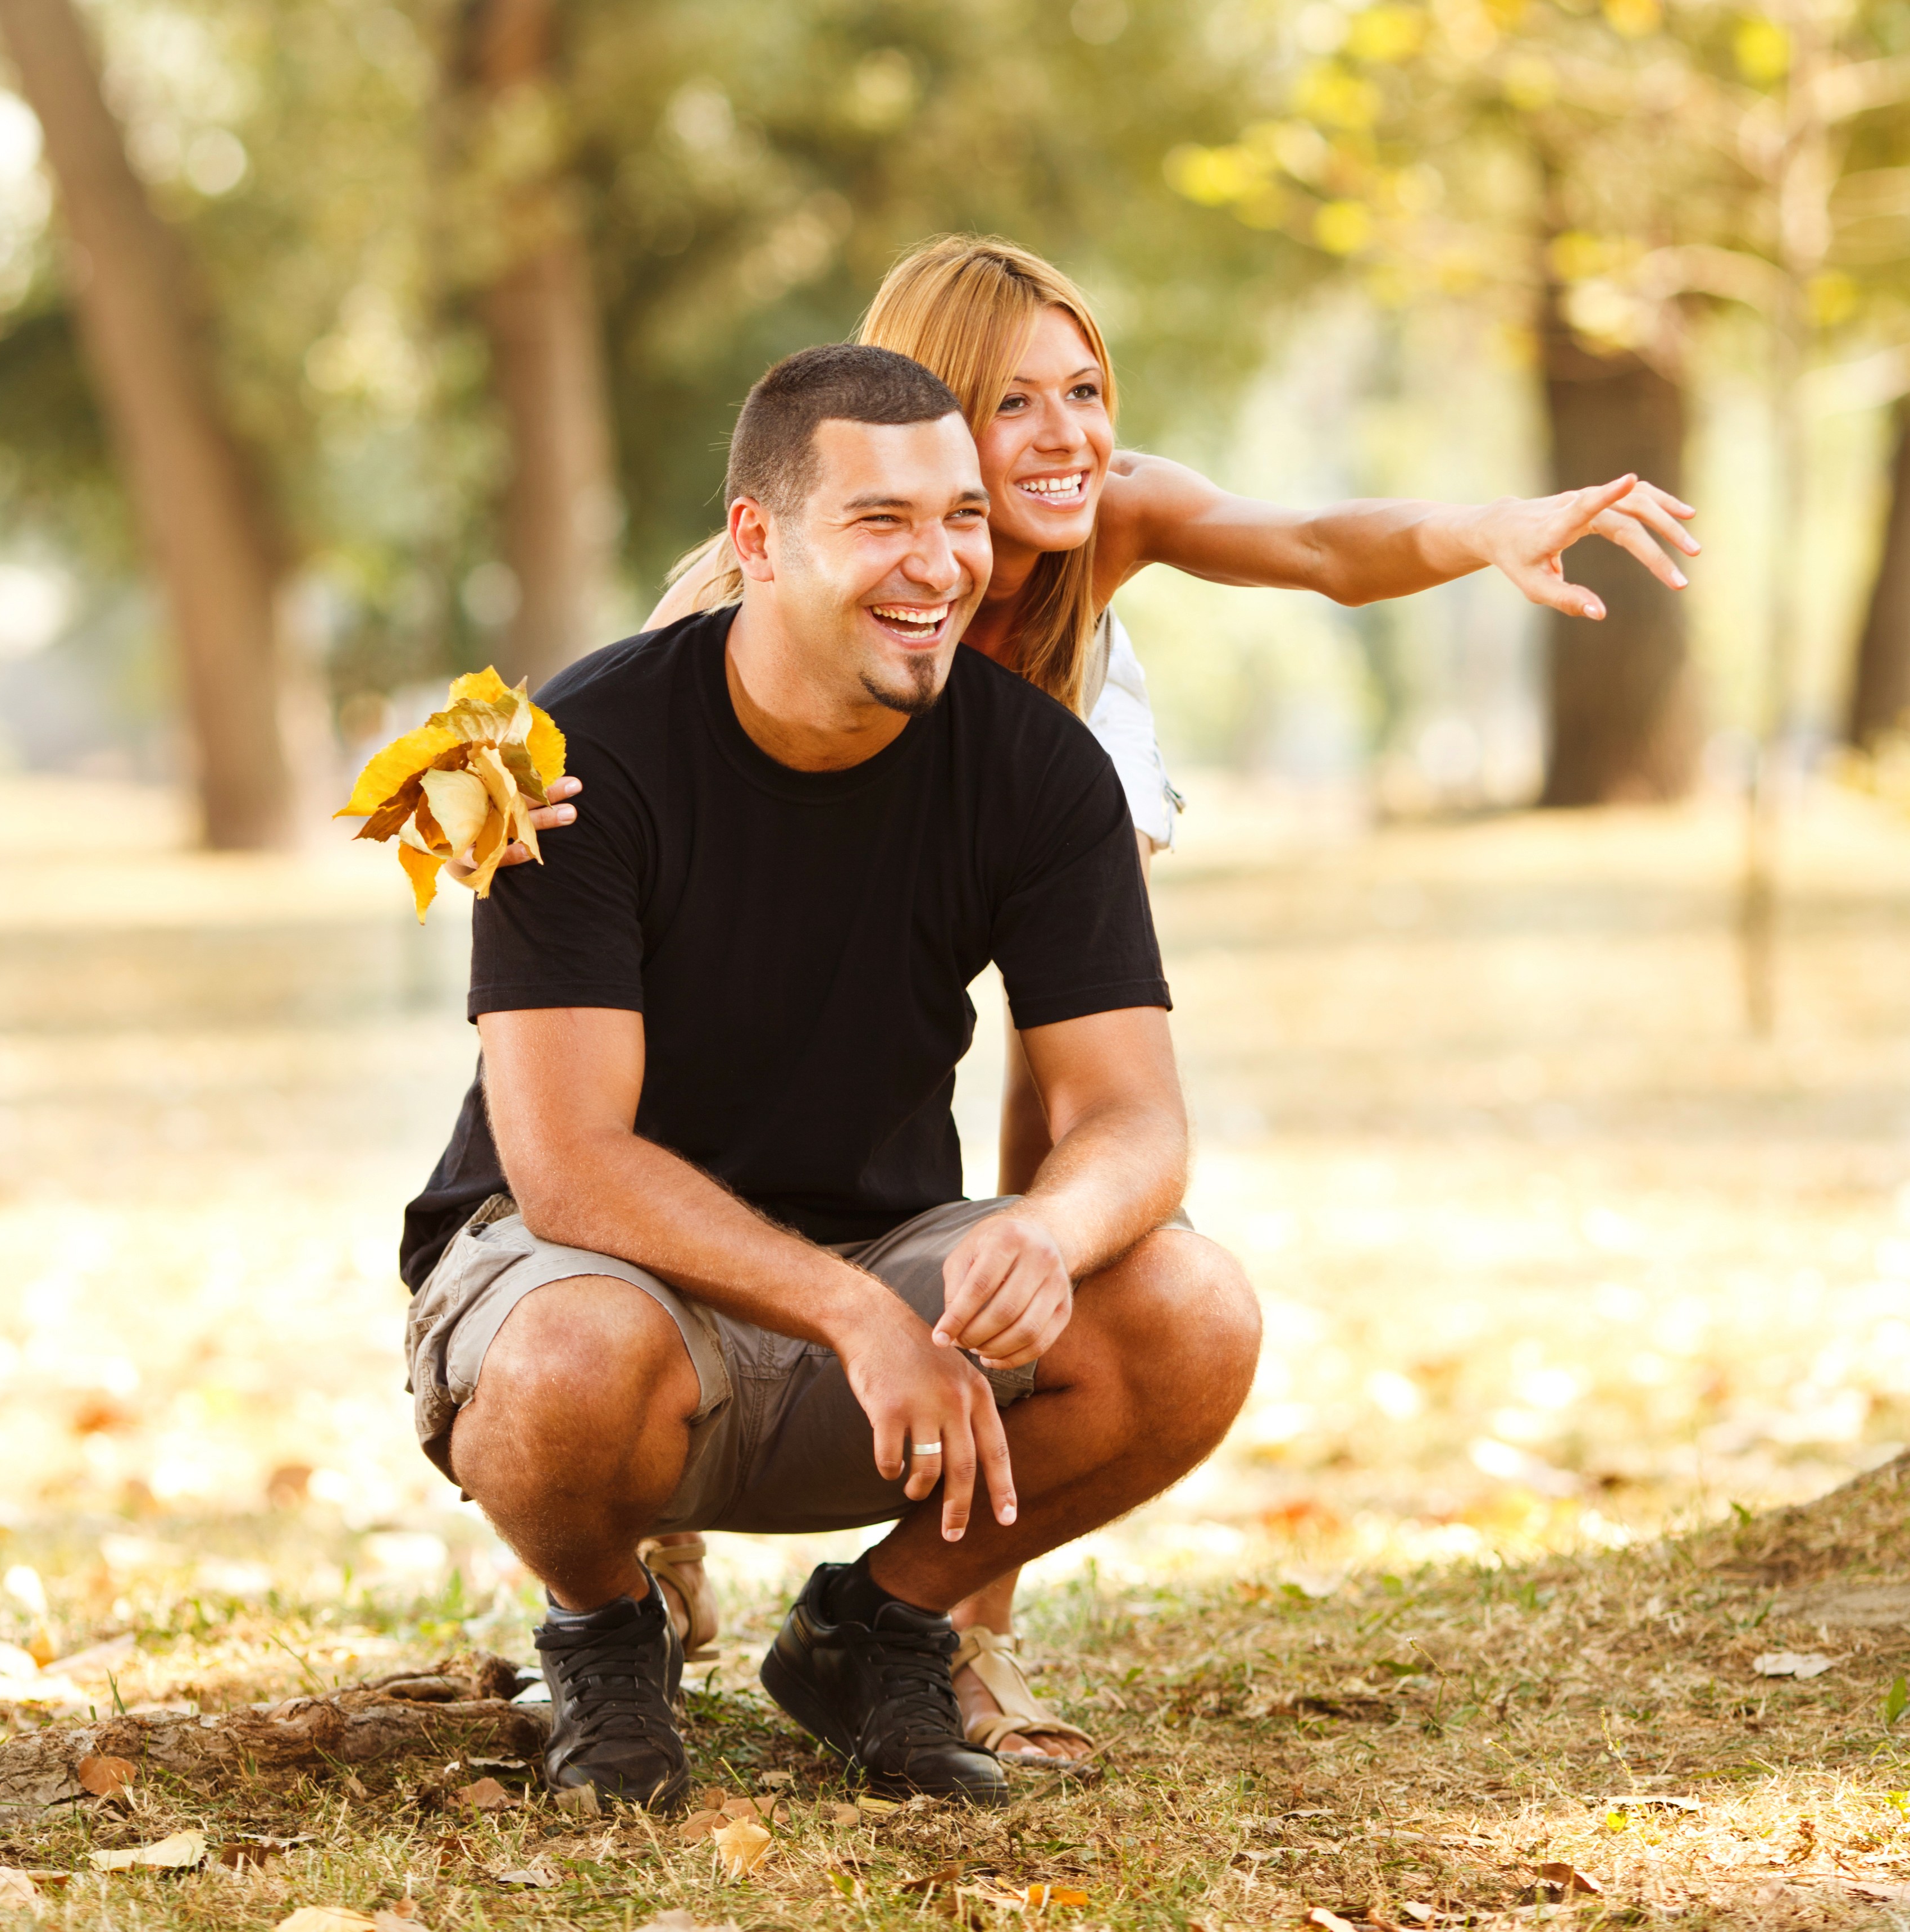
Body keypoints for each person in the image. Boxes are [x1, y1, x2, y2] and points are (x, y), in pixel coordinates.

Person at [618, 234, 1702, 1760]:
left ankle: (944, 1626)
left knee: (1061, 1153)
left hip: (1022, 776)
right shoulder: (763, 594)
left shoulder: (1097, 523)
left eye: (1085, 389)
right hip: (834, 834)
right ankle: (642, 1534)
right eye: (1015, 404)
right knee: (715, 1114)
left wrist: (1489, 528)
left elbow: (1319, 542)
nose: (1069, 437)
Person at [399, 343, 1262, 1812]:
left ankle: (875, 1633)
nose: (939, 567)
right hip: (590, 1278)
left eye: (964, 520)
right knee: (568, 1361)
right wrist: (857, 1313)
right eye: (882, 522)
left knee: (1193, 1310)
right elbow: (568, 1164)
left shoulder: (1037, 773)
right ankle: (607, 1638)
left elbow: (1133, 1116)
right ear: (757, 540)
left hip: (874, 1272)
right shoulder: (574, 758)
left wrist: (1046, 1233)